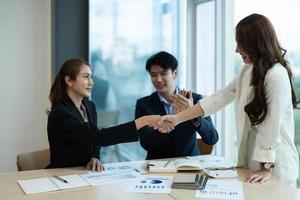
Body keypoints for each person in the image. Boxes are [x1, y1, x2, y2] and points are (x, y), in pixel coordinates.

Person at [158, 14, 299, 186]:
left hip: (275, 166)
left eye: (241, 44)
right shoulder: (247, 70)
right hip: (253, 162)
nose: (237, 50)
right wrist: (176, 119)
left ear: (256, 43)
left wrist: (267, 167)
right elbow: (218, 99)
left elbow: (272, 127)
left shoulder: (276, 75)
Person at [46, 58, 172, 171]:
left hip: (85, 173)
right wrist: (143, 121)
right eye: (85, 77)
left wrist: (94, 157)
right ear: (69, 80)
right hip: (62, 175)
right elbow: (99, 137)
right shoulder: (60, 114)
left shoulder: (89, 107)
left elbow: (93, 141)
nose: (91, 83)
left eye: (91, 77)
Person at [135, 51, 218, 159]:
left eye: (163, 73)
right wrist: (171, 122)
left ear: (175, 73)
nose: (158, 79)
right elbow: (146, 144)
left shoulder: (195, 100)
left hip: (189, 165)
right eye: (154, 75)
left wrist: (193, 114)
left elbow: (212, 138)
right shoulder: (144, 104)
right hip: (157, 167)